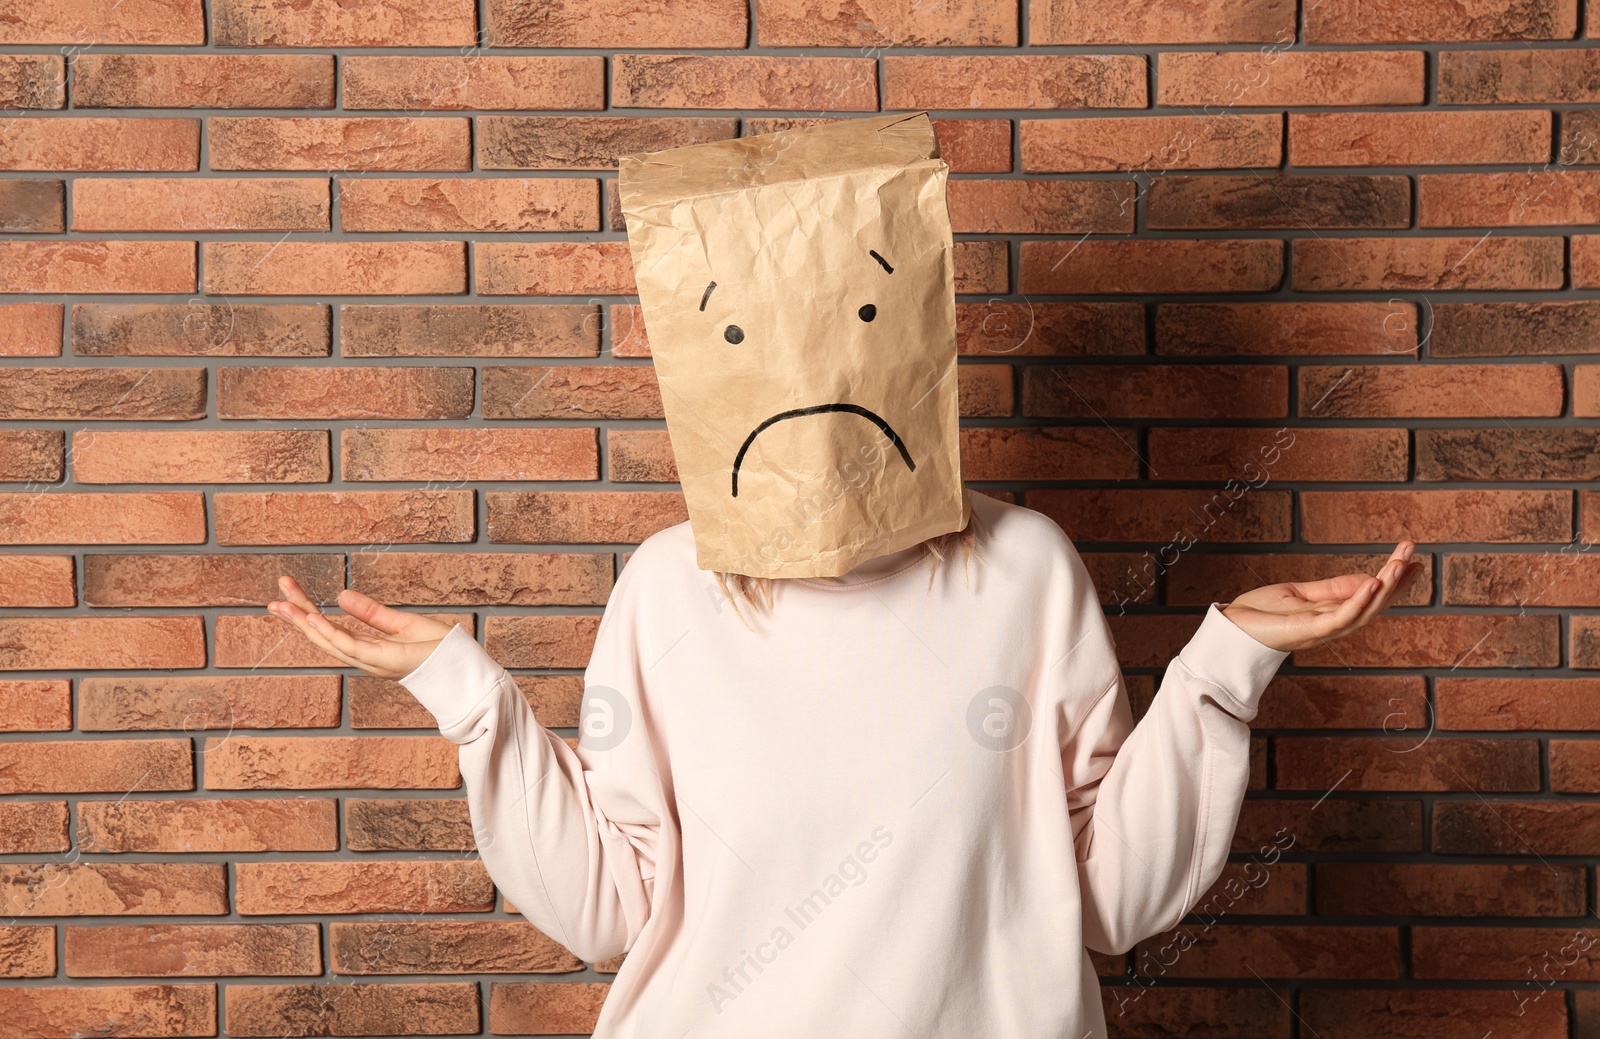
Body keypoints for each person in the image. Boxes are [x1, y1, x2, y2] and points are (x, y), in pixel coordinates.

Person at [267, 499, 1421, 1038]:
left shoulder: (1024, 570)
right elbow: (610, 909)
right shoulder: (669, 585)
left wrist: (1229, 661)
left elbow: (1105, 899)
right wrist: (468, 696)